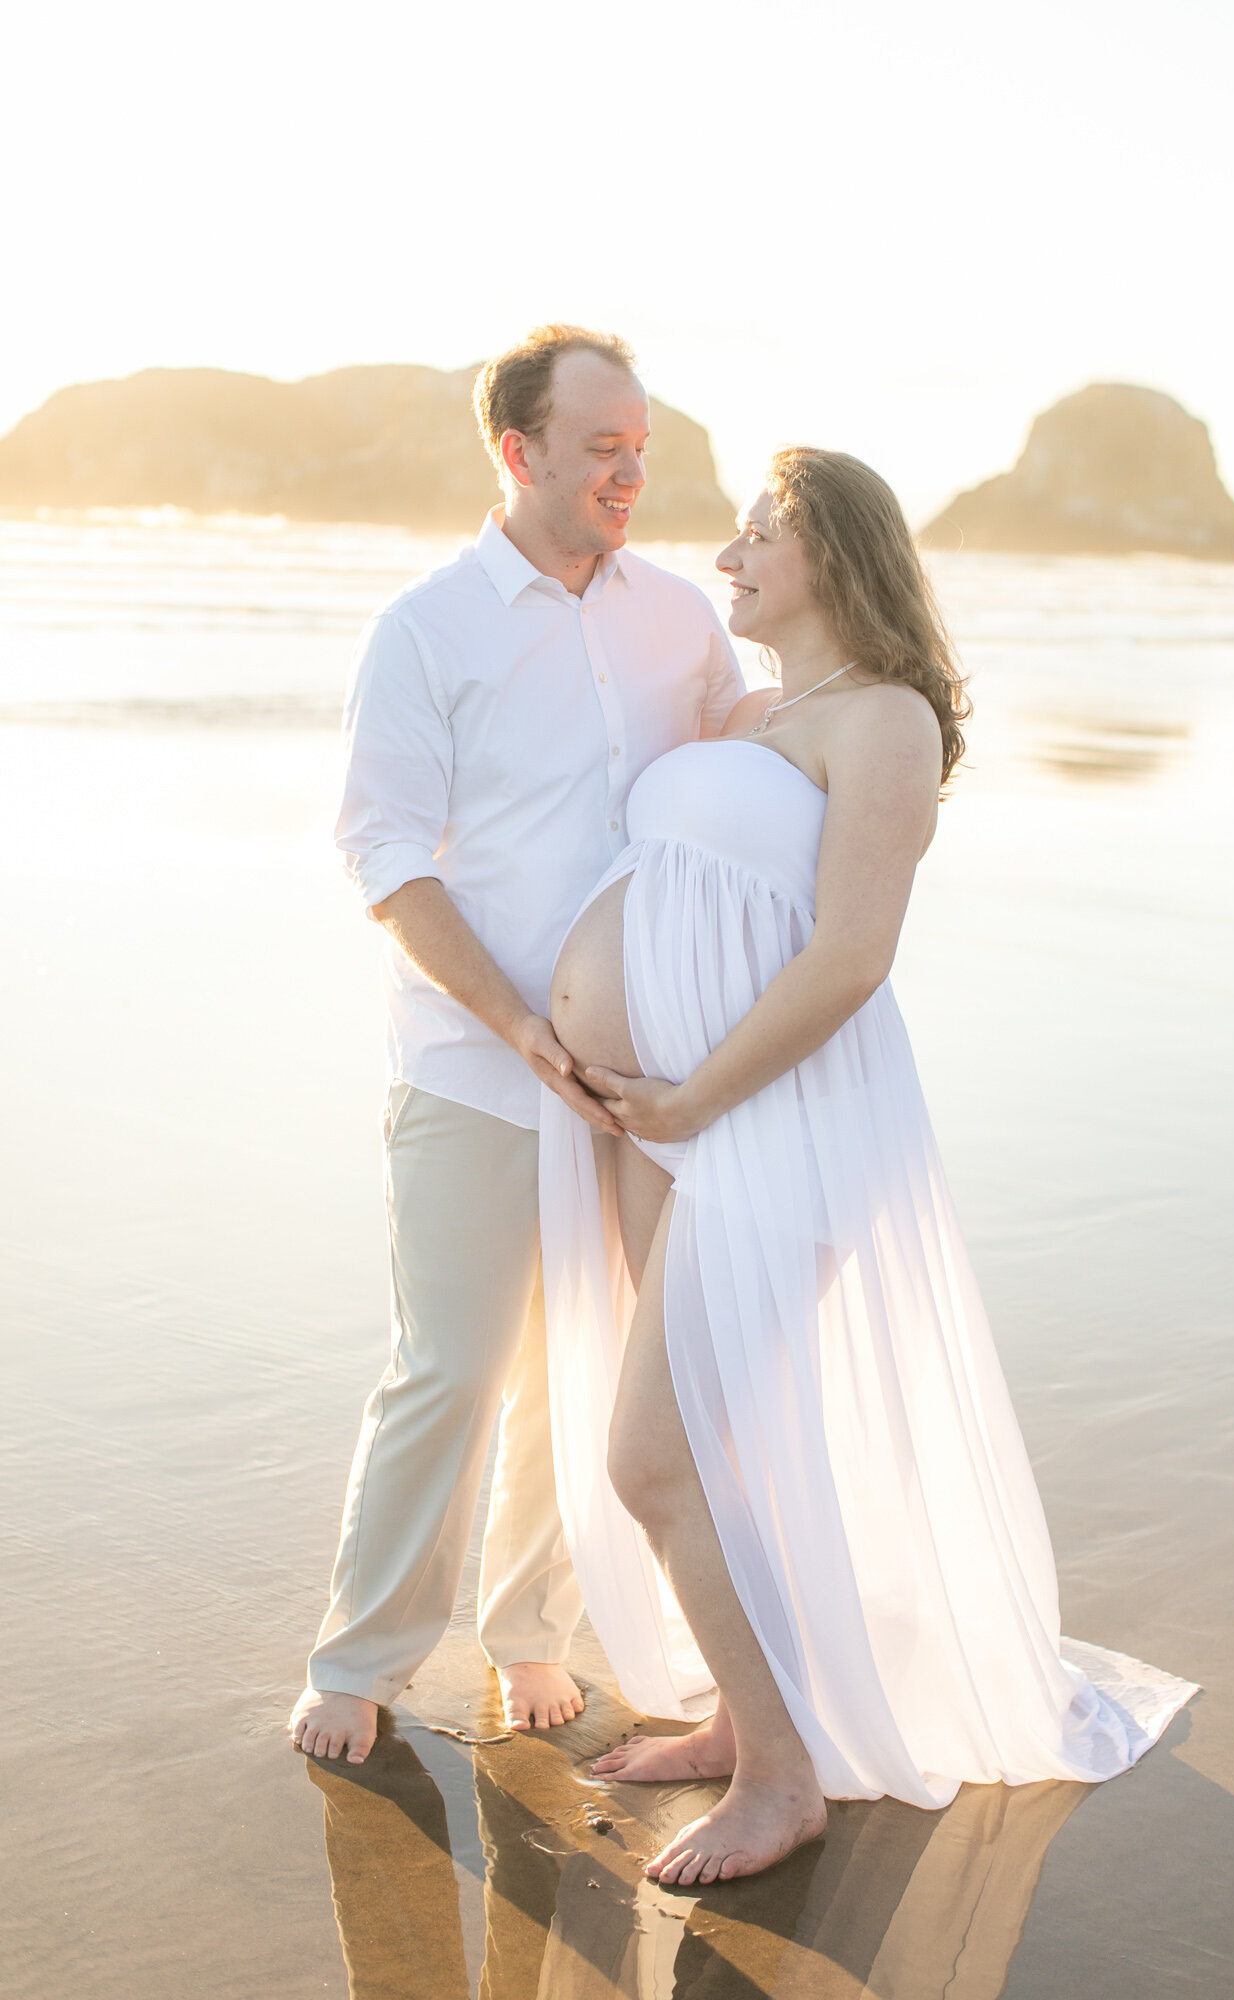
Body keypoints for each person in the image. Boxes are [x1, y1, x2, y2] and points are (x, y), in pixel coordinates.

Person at [538, 446, 1197, 1885]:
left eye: (758, 534)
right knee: (721, 1443)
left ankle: (780, 1780)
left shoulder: (884, 720)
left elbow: (850, 958)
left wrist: (693, 1095)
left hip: (767, 1122)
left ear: (832, 553)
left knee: (648, 1456)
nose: (728, 560)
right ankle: (743, 1716)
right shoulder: (762, 708)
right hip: (667, 1122)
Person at [289, 325, 742, 1766]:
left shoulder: (677, 616)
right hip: (475, 1070)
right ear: (518, 450)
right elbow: (381, 857)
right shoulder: (425, 627)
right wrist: (515, 1023)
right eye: (602, 445)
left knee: (588, 1368)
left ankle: (531, 1629)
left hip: (637, 1072)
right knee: (455, 1365)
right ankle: (359, 1657)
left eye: (641, 445)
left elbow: (736, 774)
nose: (629, 469)